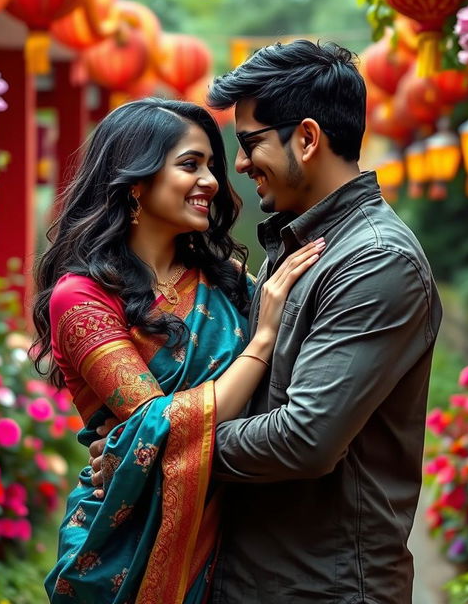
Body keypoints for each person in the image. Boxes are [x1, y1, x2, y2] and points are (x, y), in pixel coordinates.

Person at [90, 41, 443, 603]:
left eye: (251, 143)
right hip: (253, 575)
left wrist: (151, 451)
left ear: (306, 138)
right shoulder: (300, 241)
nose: (241, 165)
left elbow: (305, 438)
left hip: (320, 587)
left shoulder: (375, 260)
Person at [31, 98, 325, 604]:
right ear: (135, 182)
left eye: (210, 165)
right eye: (191, 164)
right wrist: (261, 343)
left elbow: (286, 389)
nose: (212, 180)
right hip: (124, 542)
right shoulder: (81, 297)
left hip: (240, 535)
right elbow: (158, 426)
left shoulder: (224, 279)